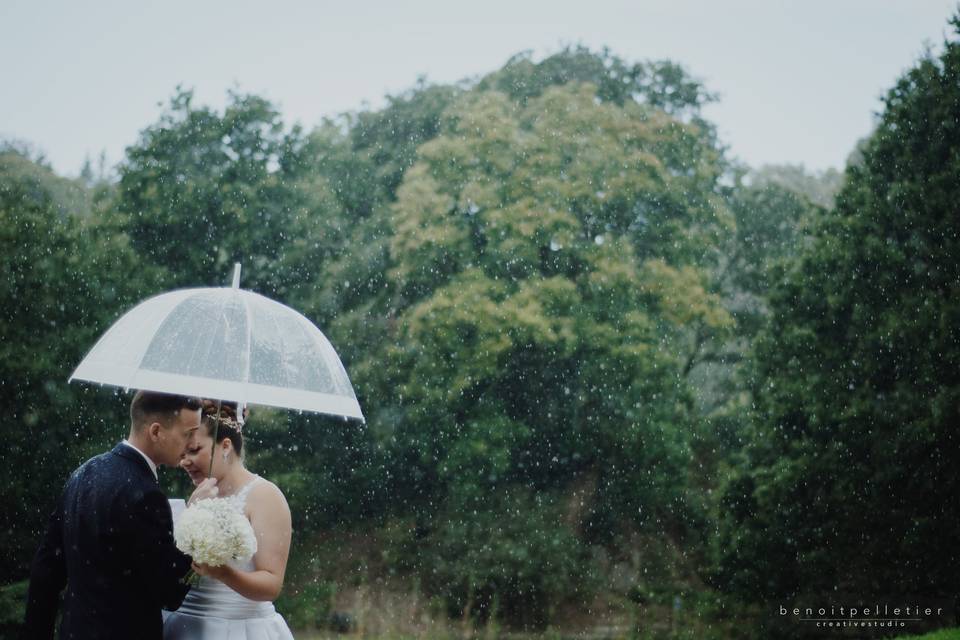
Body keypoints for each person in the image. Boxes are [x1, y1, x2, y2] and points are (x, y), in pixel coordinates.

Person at [25, 390, 218, 640]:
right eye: (187, 433)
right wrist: (196, 518)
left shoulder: (84, 473)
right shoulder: (145, 494)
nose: (191, 443)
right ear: (156, 432)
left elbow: (47, 570)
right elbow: (170, 592)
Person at [163, 400, 294, 640]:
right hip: (184, 627)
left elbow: (272, 584)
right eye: (183, 453)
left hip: (239, 630)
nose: (184, 461)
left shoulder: (265, 496)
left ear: (225, 446)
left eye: (194, 450)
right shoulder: (200, 495)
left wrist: (224, 573)